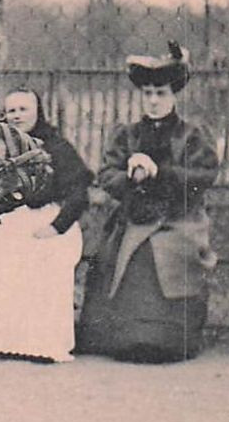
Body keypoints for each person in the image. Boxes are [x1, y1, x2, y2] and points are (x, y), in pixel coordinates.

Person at [76, 43, 221, 362]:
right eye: (148, 94)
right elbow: (106, 174)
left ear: (174, 96)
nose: (154, 101)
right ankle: (124, 339)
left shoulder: (192, 134)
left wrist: (160, 173)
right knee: (124, 251)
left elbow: (204, 175)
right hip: (134, 216)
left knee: (164, 252)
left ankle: (167, 339)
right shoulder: (126, 135)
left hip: (178, 218)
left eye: (161, 93)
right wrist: (131, 178)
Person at [0, 88, 93, 361]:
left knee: (40, 259)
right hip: (11, 219)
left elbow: (78, 193)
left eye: (23, 109)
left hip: (48, 219)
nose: (17, 116)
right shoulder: (0, 147)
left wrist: (56, 227)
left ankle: (39, 344)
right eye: (11, 110)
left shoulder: (57, 146)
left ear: (38, 111)